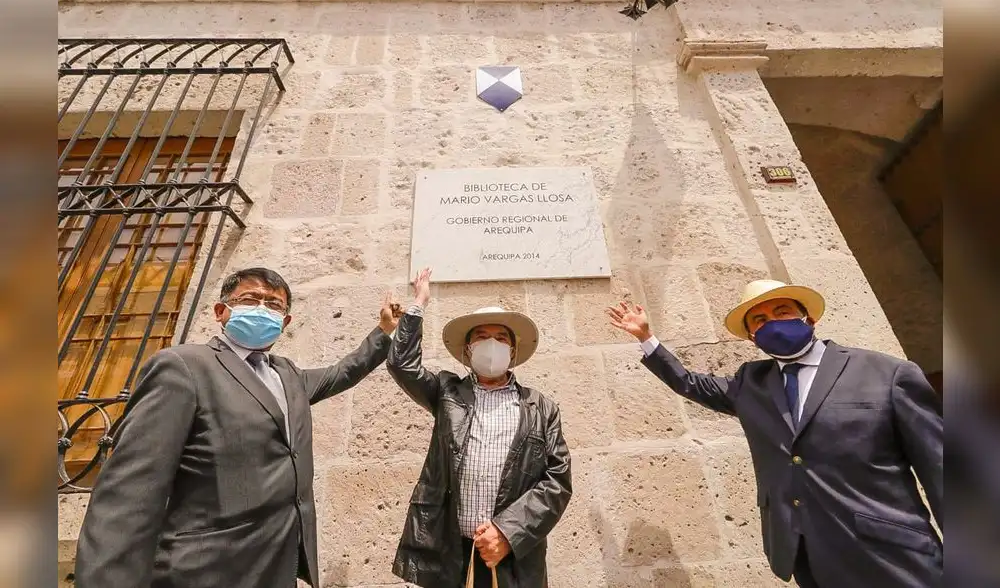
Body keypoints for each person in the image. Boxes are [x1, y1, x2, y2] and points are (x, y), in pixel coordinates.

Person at [74, 267, 398, 588]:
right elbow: (131, 490)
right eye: (250, 299)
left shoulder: (288, 376)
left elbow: (341, 373)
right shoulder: (185, 366)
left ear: (285, 323)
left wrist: (383, 331)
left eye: (274, 305)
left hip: (276, 564)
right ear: (221, 311)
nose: (262, 309)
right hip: (206, 570)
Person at [607, 279, 942, 588]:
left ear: (809, 319)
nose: (771, 322)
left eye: (781, 312)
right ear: (752, 336)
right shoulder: (750, 383)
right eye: (760, 320)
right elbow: (689, 382)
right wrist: (646, 338)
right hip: (807, 554)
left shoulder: (886, 373)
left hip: (892, 555)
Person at [387, 267, 572, 588]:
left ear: (513, 352)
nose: (492, 344)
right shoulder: (447, 393)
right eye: (482, 337)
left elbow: (557, 481)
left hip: (512, 555)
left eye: (501, 338)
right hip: (451, 553)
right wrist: (418, 305)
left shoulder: (541, 408)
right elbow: (402, 365)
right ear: (467, 350)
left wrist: (507, 531)